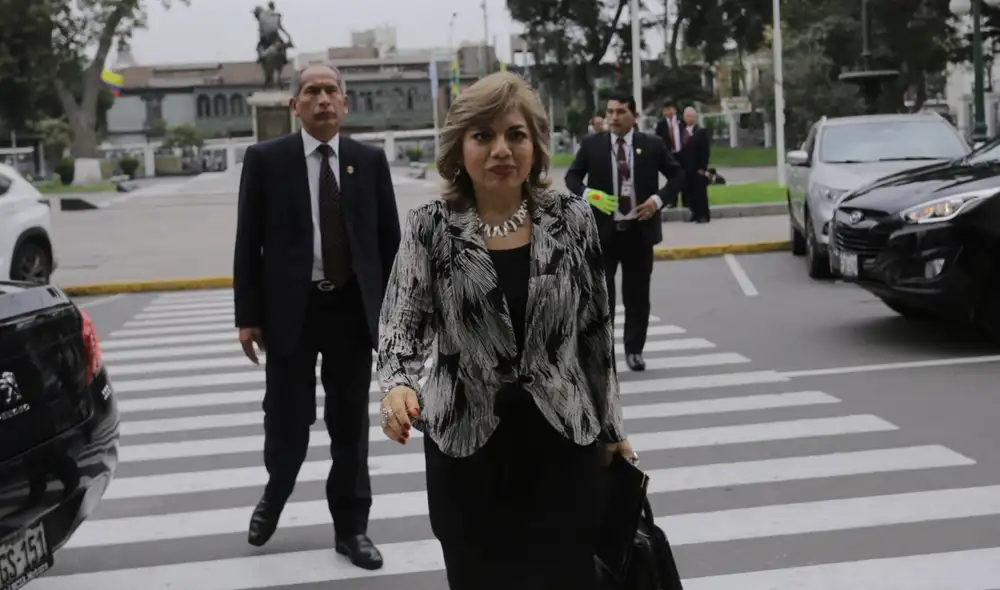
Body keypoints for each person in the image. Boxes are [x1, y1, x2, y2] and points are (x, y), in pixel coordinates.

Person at [375, 71, 634, 590]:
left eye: (516, 135)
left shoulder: (572, 220)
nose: (501, 150)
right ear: (459, 147)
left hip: (563, 443)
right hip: (467, 451)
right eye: (483, 136)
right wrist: (397, 386)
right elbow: (401, 324)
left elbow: (595, 335)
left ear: (535, 146)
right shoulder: (430, 225)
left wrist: (613, 430)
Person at [232, 63, 400, 570]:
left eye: (331, 91)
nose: (323, 99)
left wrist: (397, 313)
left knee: (350, 426)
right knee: (288, 421)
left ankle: (352, 529)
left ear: (344, 104)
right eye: (312, 91)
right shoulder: (266, 160)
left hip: (351, 309)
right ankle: (276, 492)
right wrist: (248, 315)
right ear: (295, 105)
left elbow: (389, 243)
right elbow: (248, 242)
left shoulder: (369, 162)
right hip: (292, 311)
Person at [565, 94, 684, 371]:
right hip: (603, 235)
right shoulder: (592, 145)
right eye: (610, 112)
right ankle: (603, 354)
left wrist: (657, 201)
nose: (614, 118)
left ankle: (634, 350)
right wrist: (588, 194)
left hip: (638, 233)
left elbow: (678, 175)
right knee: (602, 298)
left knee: (637, 296)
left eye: (620, 112)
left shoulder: (652, 145)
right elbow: (572, 177)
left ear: (634, 115)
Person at [677, 105, 712, 223]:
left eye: (692, 116)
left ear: (695, 117)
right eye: (688, 116)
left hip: (697, 167)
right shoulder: (681, 132)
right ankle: (695, 213)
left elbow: (705, 151)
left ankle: (703, 215)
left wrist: (703, 167)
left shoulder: (700, 132)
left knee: (700, 192)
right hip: (685, 167)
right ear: (684, 117)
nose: (690, 118)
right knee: (689, 192)